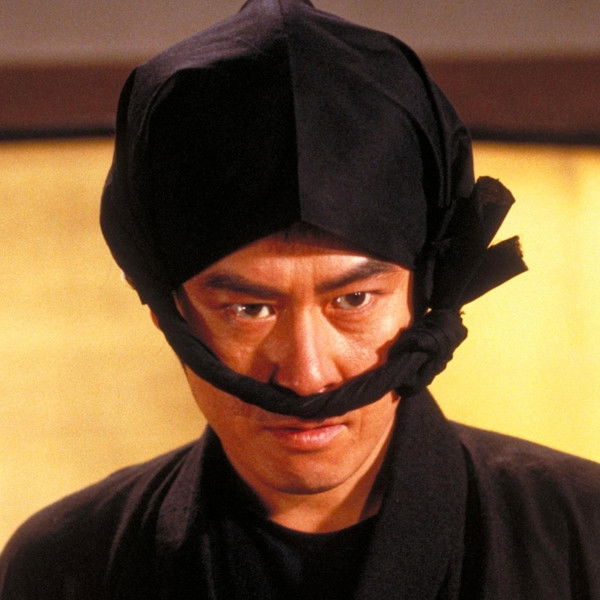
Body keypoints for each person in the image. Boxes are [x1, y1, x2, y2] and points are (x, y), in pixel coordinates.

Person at [1, 1, 599, 598]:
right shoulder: (66, 565)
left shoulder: (584, 535)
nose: (307, 376)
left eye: (354, 299)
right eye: (249, 310)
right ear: (166, 310)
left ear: (426, 296)